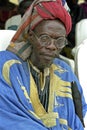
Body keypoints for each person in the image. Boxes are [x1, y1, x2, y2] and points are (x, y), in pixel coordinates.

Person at [0, 0, 87, 129]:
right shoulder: (6, 64)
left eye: (59, 41)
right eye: (44, 38)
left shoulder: (65, 71)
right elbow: (6, 115)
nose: (52, 46)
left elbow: (78, 115)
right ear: (31, 36)